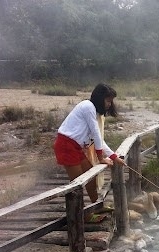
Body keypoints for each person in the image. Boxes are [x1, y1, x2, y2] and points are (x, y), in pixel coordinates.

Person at [53, 83, 126, 223]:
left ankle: (96, 206)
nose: (110, 104)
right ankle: (85, 216)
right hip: (65, 145)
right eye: (108, 100)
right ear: (100, 98)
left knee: (90, 175)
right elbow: (96, 134)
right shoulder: (88, 107)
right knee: (77, 185)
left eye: (111, 101)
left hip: (75, 147)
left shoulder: (93, 111)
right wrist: (101, 157)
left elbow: (98, 139)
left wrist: (113, 156)